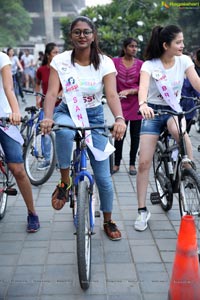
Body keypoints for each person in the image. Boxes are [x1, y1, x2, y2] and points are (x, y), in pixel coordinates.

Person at [40, 16, 126, 241]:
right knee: (65, 132)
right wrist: (48, 117)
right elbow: (51, 93)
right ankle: (65, 180)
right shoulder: (61, 60)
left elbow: (111, 94)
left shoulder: (105, 62)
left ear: (93, 35)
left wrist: (119, 118)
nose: (82, 36)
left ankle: (108, 220)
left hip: (95, 117)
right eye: (77, 32)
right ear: (71, 36)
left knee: (104, 179)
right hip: (67, 112)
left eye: (86, 32)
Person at [134, 25, 200, 232]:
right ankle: (142, 211)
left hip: (173, 110)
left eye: (182, 41)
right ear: (166, 45)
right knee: (144, 162)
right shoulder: (149, 65)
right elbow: (143, 88)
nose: (183, 45)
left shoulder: (185, 61)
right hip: (152, 112)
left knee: (182, 135)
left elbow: (197, 83)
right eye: (178, 42)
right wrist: (143, 104)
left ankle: (189, 174)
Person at [0, 51, 40, 232]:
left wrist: (15, 112)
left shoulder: (2, 58)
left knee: (17, 169)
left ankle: (32, 212)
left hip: (4, 119)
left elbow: (9, 88)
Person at [112, 38, 143, 175]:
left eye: (136, 46)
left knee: (135, 136)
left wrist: (130, 91)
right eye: (131, 46)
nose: (134, 49)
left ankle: (131, 164)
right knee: (119, 134)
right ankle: (116, 163)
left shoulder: (141, 64)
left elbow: (143, 87)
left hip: (136, 103)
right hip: (119, 104)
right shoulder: (115, 62)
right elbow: (110, 82)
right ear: (124, 48)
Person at [35, 42, 60, 170]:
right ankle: (46, 159)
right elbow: (37, 83)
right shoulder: (42, 70)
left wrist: (57, 95)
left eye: (58, 52)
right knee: (45, 132)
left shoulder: (62, 68)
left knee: (60, 133)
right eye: (55, 52)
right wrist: (37, 98)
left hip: (61, 106)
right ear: (48, 55)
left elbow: (67, 86)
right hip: (45, 106)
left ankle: (59, 160)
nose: (57, 55)